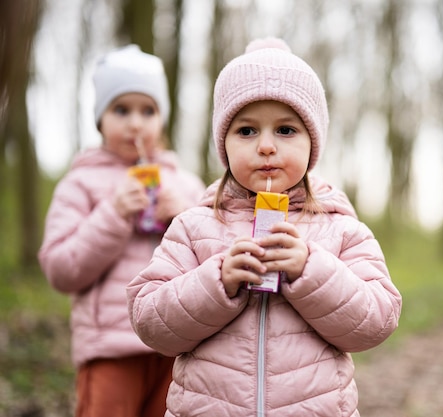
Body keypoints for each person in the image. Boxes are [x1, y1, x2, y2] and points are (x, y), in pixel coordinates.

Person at [126, 37, 402, 417]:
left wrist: (311, 269)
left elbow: (377, 319)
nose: (267, 146)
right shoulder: (194, 225)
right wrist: (217, 280)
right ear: (223, 143)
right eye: (247, 131)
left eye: (286, 130)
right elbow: (149, 321)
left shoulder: (340, 228)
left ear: (312, 143)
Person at [38, 44, 206, 417]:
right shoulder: (80, 184)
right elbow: (61, 270)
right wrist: (112, 214)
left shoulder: (186, 184)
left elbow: (214, 258)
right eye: (121, 109)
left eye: (148, 110)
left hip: (177, 347)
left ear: (163, 116)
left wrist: (184, 215)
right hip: (110, 349)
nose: (135, 123)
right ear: (99, 119)